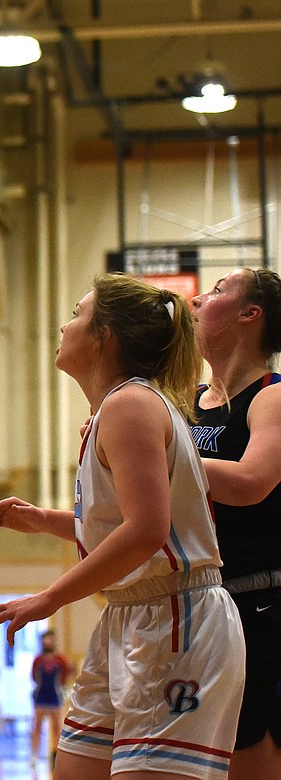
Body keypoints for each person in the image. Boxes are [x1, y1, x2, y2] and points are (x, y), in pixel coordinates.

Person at [0, 272, 246, 779]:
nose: (63, 326)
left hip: (177, 619)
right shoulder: (115, 409)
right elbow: (128, 521)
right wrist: (48, 521)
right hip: (129, 616)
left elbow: (147, 531)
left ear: (105, 335)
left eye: (77, 314)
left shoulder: (131, 404)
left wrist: (48, 598)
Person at [190, 267, 281, 780]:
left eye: (219, 290)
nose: (200, 298)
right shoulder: (185, 405)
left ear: (251, 314)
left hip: (260, 605)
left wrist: (156, 450)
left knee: (251, 763)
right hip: (198, 608)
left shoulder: (272, 396)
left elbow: (250, 481)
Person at [31, 630, 72, 764]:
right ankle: (34, 755)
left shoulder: (60, 660)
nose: (47, 642)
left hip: (55, 696)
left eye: (50, 639)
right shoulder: (38, 660)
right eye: (45, 639)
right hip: (41, 696)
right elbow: (34, 677)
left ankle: (55, 755)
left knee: (56, 727)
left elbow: (64, 677)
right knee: (37, 726)